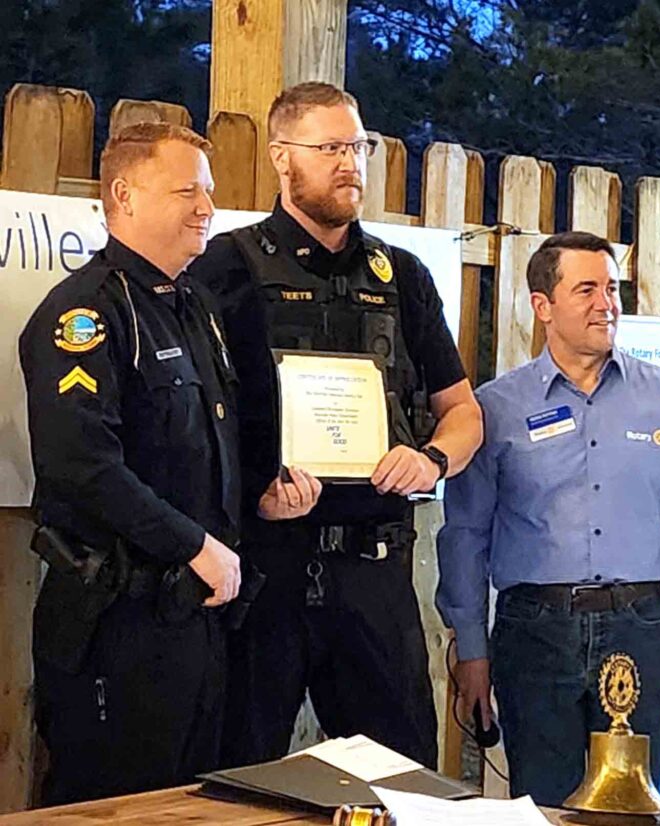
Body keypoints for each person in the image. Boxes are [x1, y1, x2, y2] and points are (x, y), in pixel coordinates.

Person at [190, 81, 482, 769]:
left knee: (401, 782)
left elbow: (464, 411)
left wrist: (433, 460)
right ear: (282, 157)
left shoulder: (401, 275)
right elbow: (193, 422)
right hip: (267, 566)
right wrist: (253, 488)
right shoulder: (225, 267)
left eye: (358, 146)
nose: (350, 163)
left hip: (373, 569)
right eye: (330, 148)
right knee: (238, 776)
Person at [436, 231, 660, 806]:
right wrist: (472, 652)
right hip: (534, 634)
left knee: (637, 807)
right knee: (544, 805)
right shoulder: (496, 409)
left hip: (642, 629)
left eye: (612, 287)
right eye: (586, 290)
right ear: (543, 305)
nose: (607, 303)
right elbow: (465, 538)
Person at [20, 122, 242, 804]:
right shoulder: (86, 313)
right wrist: (192, 543)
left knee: (187, 806)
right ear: (124, 195)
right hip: (117, 623)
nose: (206, 207)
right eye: (186, 191)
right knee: (113, 807)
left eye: (207, 190)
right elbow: (79, 463)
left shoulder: (192, 306)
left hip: (191, 622)